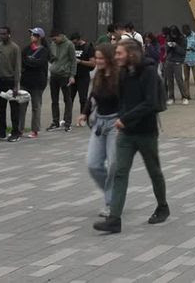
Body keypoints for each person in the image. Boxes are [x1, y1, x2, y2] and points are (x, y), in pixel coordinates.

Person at [93, 39, 169, 234]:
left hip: (146, 132)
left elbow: (151, 103)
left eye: (119, 53)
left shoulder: (149, 72)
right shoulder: (124, 73)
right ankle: (114, 219)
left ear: (131, 54)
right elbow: (121, 100)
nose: (116, 56)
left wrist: (125, 119)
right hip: (126, 133)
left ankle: (162, 206)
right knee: (119, 172)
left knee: (154, 171)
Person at [78, 43, 118, 217]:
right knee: (93, 164)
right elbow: (92, 96)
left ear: (109, 58)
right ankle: (116, 193)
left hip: (116, 124)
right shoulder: (98, 75)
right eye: (96, 58)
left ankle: (112, 202)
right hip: (99, 123)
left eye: (101, 58)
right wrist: (84, 113)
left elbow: (128, 100)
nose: (97, 61)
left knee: (114, 165)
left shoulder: (120, 76)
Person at [0, 26, 22, 141]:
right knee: (1, 108)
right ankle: (1, 131)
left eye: (4, 34)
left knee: (14, 107)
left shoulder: (15, 48)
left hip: (10, 80)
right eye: (1, 34)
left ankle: (16, 131)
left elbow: (17, 67)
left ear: (9, 34)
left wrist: (16, 85)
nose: (2, 36)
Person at [20, 28, 50, 139]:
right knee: (21, 106)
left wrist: (29, 62)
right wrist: (30, 62)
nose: (31, 36)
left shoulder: (44, 51)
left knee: (36, 107)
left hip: (38, 83)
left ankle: (35, 130)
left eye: (33, 35)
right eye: (31, 34)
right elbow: (22, 61)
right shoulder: (26, 49)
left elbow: (39, 64)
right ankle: (19, 129)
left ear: (39, 37)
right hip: (25, 81)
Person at [48, 29, 76, 131]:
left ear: (60, 35)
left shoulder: (69, 45)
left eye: (55, 39)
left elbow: (73, 61)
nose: (54, 41)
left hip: (65, 75)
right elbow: (51, 57)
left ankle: (67, 122)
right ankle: (55, 122)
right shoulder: (53, 44)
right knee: (54, 100)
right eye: (52, 40)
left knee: (67, 99)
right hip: (54, 75)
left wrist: (72, 75)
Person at [71, 33, 95, 117]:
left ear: (79, 39)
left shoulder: (88, 47)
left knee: (83, 98)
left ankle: (83, 116)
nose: (74, 44)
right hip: (73, 76)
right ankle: (67, 118)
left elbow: (93, 63)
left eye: (76, 42)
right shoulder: (72, 47)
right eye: (73, 43)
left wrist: (80, 61)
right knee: (69, 98)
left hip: (83, 76)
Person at [163, 26, 189, 105]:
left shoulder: (183, 39)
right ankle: (171, 97)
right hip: (169, 60)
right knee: (169, 80)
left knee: (179, 80)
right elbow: (166, 49)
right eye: (171, 34)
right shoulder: (168, 38)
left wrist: (176, 46)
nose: (173, 36)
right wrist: (168, 45)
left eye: (174, 34)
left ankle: (184, 97)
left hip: (177, 61)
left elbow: (183, 52)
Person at [182, 24, 195, 101]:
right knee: (186, 78)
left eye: (186, 32)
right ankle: (187, 94)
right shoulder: (183, 37)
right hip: (185, 58)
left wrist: (194, 48)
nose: (185, 33)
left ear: (189, 30)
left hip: (194, 58)